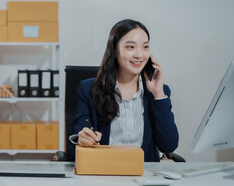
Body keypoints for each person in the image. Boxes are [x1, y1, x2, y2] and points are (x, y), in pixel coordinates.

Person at [67, 19, 178, 162]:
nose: (139, 55)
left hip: (144, 175)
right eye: (130, 47)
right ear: (114, 50)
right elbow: (71, 151)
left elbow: (169, 146)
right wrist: (81, 139)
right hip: (104, 172)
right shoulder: (89, 90)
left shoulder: (158, 93)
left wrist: (158, 95)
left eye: (145, 47)